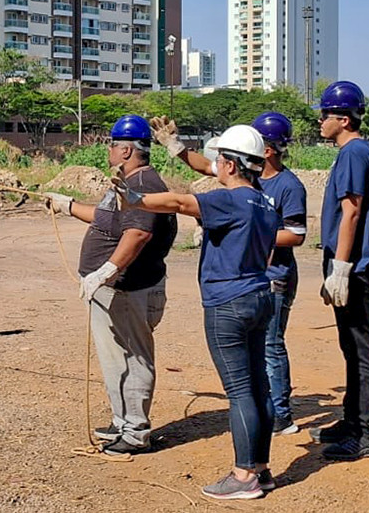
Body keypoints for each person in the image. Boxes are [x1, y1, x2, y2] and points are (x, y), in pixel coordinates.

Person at [113, 124, 279, 500]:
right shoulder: (265, 202)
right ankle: (261, 469)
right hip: (258, 296)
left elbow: (179, 203)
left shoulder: (229, 200)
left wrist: (136, 199)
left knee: (239, 392)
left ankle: (243, 476)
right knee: (258, 387)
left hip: (227, 303)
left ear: (233, 165)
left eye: (220, 160)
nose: (216, 166)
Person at [151, 112, 308, 435]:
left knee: (271, 347)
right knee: (256, 359)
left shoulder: (288, 186)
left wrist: (248, 229)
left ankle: (280, 415)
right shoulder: (248, 177)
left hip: (273, 275)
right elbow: (203, 165)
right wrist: (175, 146)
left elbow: (296, 234)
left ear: (267, 150)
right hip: (249, 277)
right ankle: (266, 413)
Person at [44, 114, 177, 457]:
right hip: (114, 290)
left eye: (113, 144)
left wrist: (105, 271)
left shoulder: (144, 184)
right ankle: (123, 422)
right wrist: (68, 205)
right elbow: (109, 220)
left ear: (127, 150)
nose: (108, 150)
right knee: (116, 359)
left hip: (129, 289)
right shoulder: (127, 180)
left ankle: (135, 432)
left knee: (133, 358)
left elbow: (139, 233)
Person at [310, 80, 369, 460]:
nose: (320, 121)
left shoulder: (354, 153)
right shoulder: (353, 152)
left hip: (353, 265)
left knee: (360, 348)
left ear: (342, 118)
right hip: (348, 262)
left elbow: (351, 211)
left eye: (325, 114)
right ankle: (352, 420)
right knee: (350, 347)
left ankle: (365, 434)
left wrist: (340, 267)